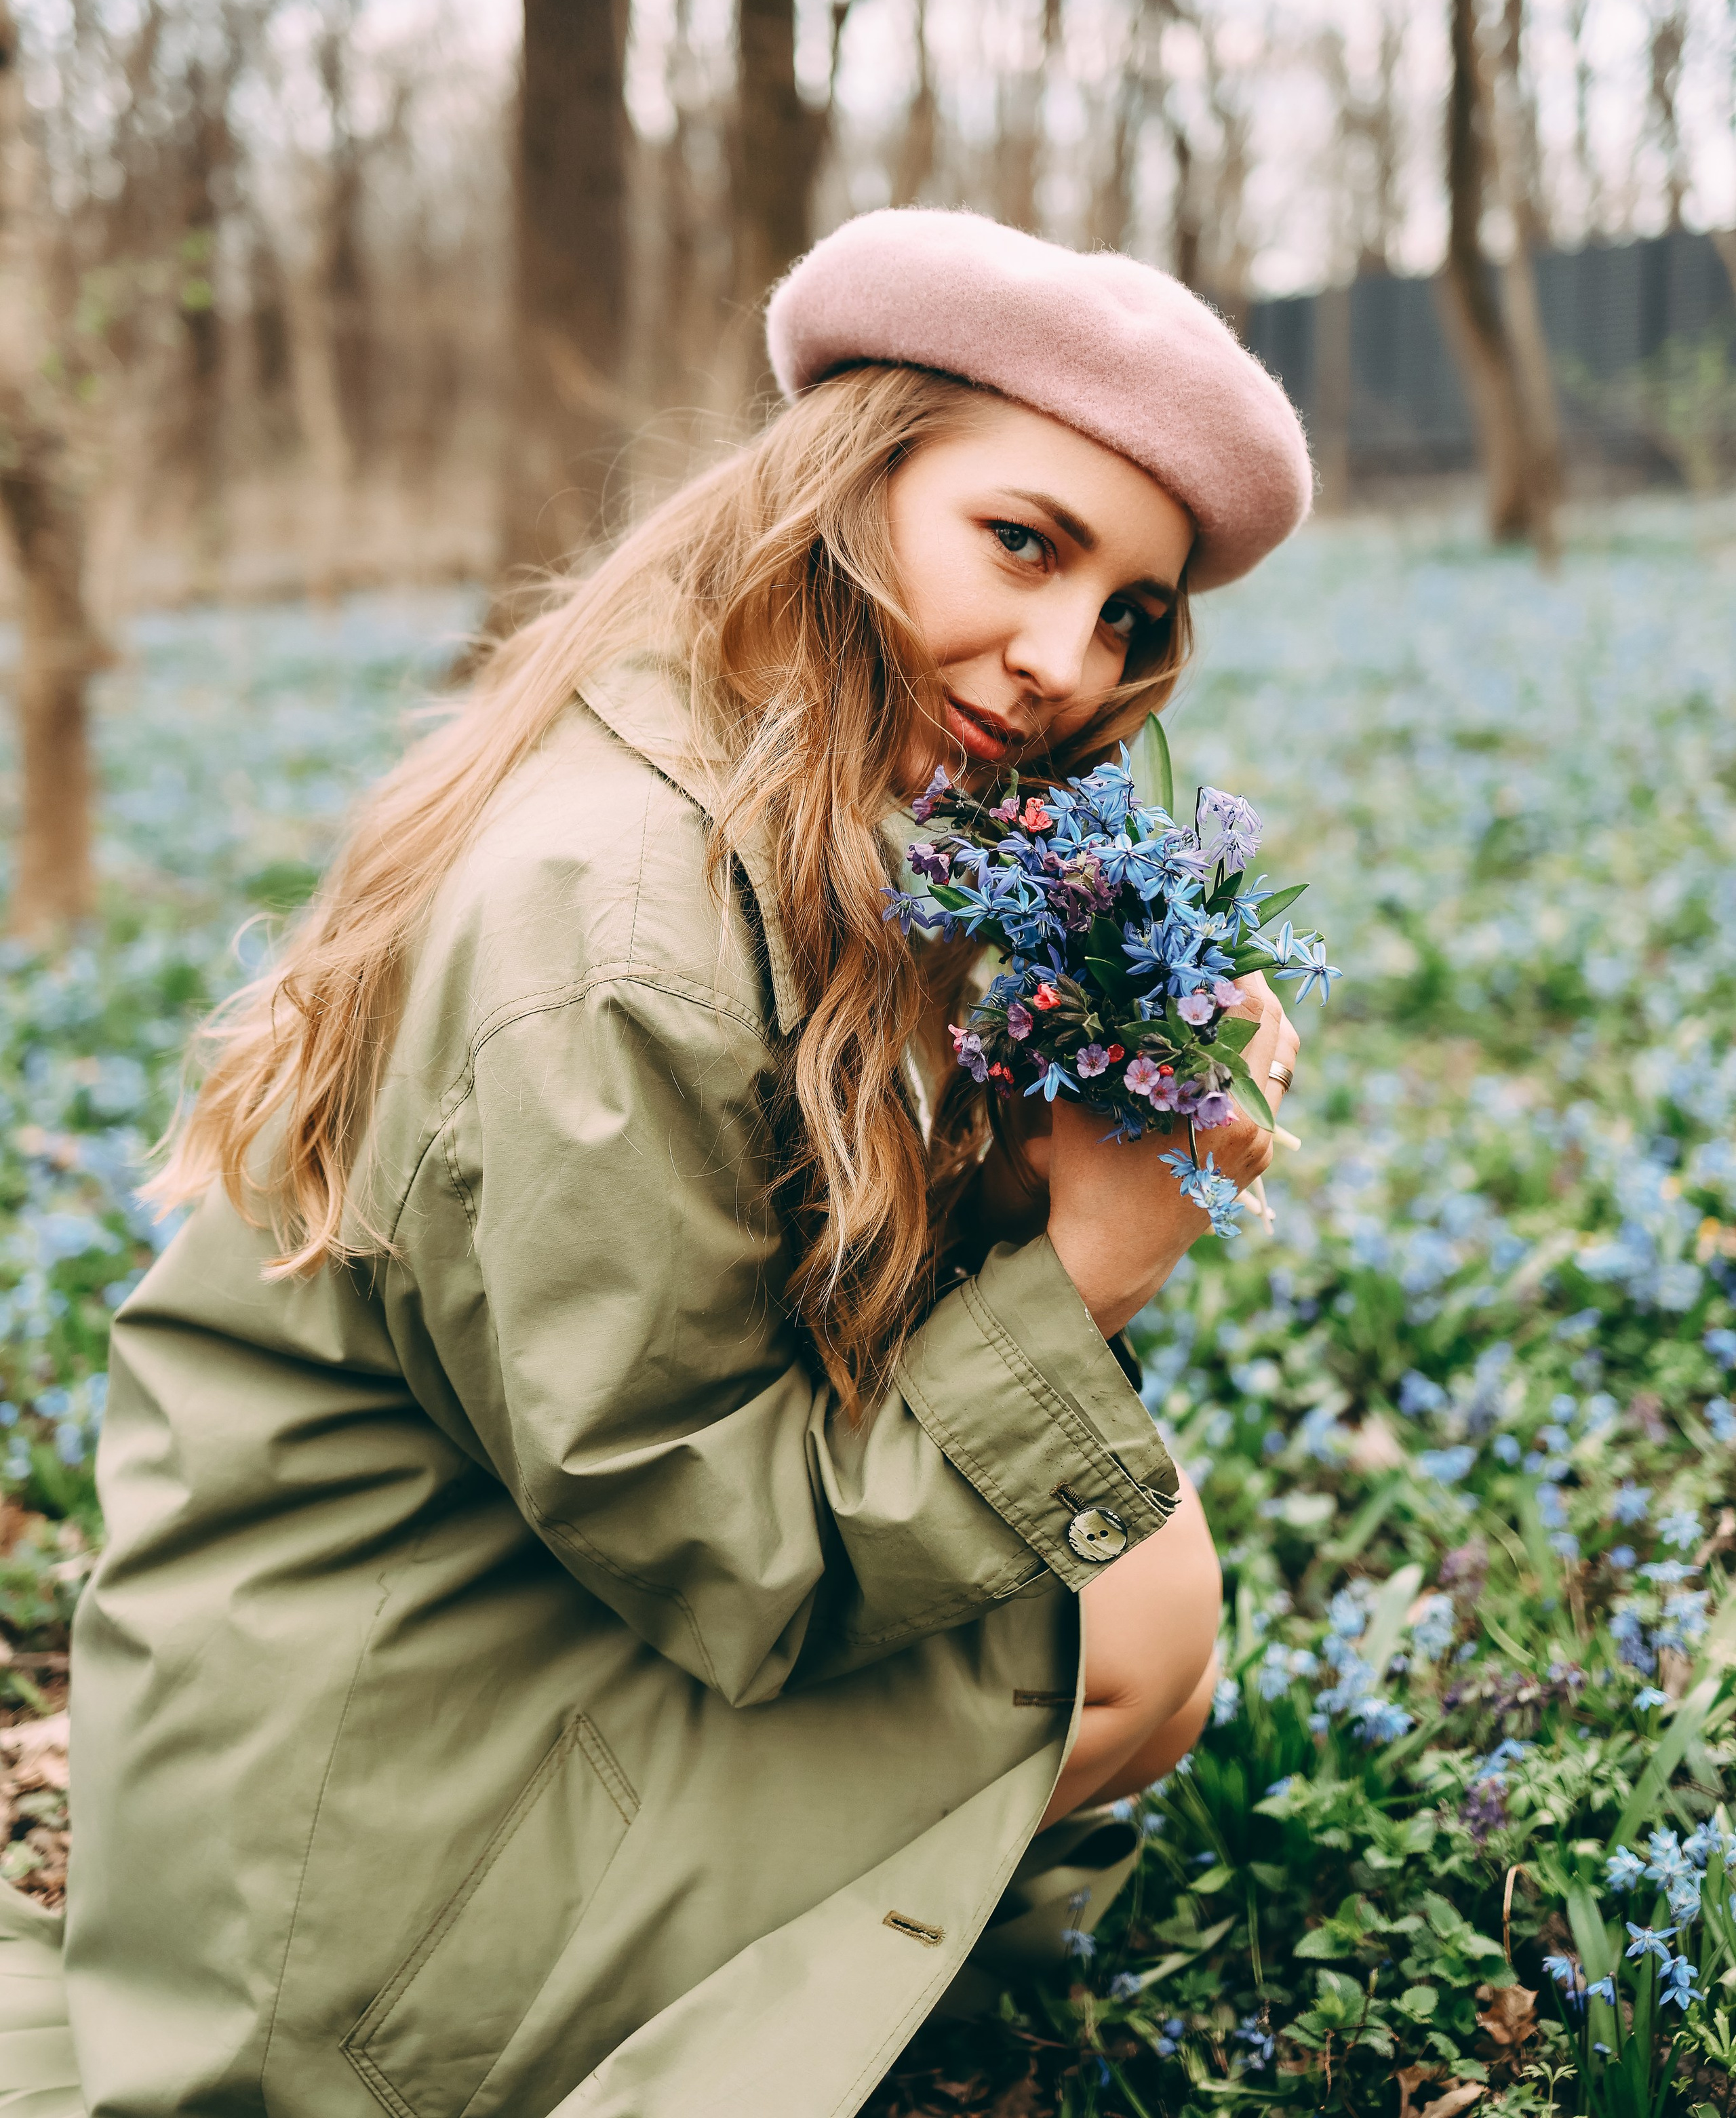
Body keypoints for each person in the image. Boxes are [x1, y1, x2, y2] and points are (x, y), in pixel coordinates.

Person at [45, 209, 1310, 2117]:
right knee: (1095, 1629)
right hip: (347, 1832)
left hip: (461, 1636)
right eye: (1023, 542)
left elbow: (782, 1312)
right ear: (846, 480)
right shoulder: (611, 922)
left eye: (1132, 614)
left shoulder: (804, 796)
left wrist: (1084, 1106)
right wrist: (1092, 1266)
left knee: (1124, 1576)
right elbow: (733, 1551)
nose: (1068, 660)